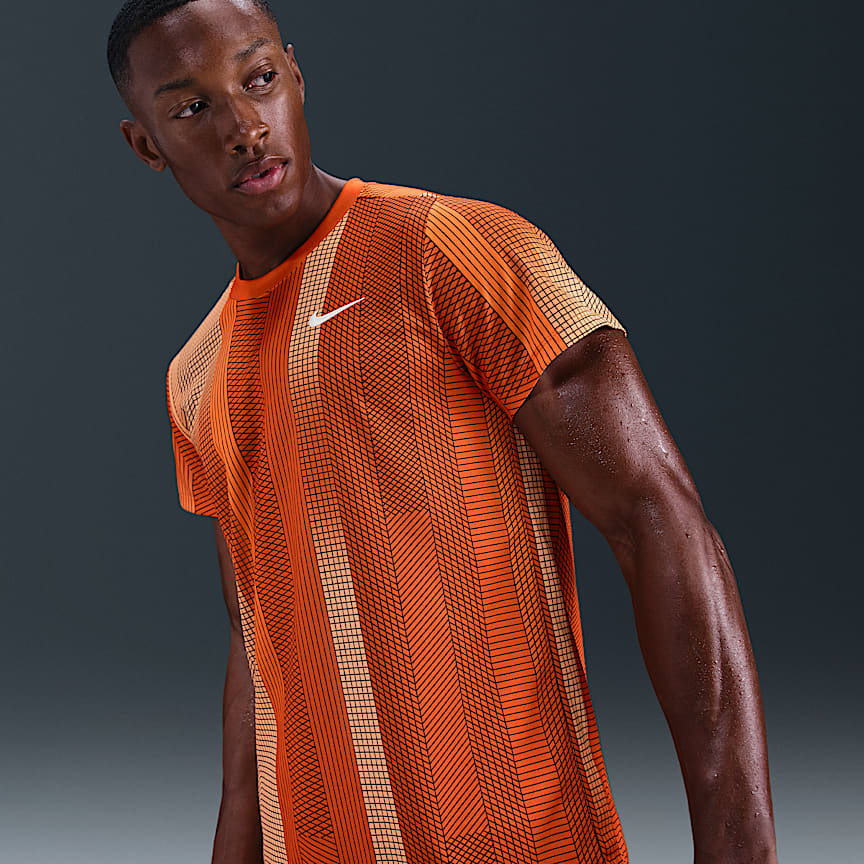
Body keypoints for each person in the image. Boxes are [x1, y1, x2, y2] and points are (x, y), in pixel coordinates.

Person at [107, 1, 779, 862]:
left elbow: (659, 521)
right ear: (147, 145)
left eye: (260, 78)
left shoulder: (452, 249)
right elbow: (256, 638)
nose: (244, 127)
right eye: (193, 107)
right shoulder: (194, 376)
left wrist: (740, 846)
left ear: (297, 77)